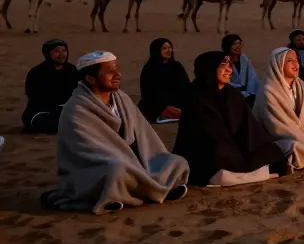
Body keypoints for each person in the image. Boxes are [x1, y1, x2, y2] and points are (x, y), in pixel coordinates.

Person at [42, 51, 189, 214]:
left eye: (117, 69)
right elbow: (88, 152)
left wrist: (142, 159)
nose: (118, 75)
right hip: (92, 167)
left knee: (176, 161)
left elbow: (144, 135)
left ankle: (141, 189)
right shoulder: (76, 109)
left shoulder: (121, 98)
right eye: (110, 71)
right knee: (116, 171)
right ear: (91, 79)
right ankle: (141, 191)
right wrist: (127, 160)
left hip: (134, 160)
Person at [173, 51, 289, 186]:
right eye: (224, 66)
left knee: (271, 150)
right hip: (210, 151)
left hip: (236, 149)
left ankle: (247, 174)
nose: (229, 70)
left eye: (230, 65)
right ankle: (259, 175)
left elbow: (249, 127)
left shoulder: (233, 94)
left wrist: (250, 146)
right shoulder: (195, 96)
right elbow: (207, 134)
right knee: (219, 153)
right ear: (210, 68)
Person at [22, 39, 80, 134]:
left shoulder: (72, 70)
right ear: (47, 53)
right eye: (57, 51)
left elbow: (77, 92)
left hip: (66, 109)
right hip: (42, 111)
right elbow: (34, 97)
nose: (61, 54)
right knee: (50, 124)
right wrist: (55, 109)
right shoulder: (37, 72)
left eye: (64, 51)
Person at [138, 38, 191, 122]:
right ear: (157, 50)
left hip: (177, 102)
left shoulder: (177, 66)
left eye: (170, 48)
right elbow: (149, 93)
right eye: (164, 48)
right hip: (158, 104)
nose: (168, 50)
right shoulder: (150, 68)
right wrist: (167, 104)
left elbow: (186, 86)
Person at [222, 33, 260, 104]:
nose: (238, 46)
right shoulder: (223, 61)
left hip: (247, 94)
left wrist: (249, 93)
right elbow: (223, 82)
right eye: (234, 44)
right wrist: (239, 90)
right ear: (228, 46)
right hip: (230, 95)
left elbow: (252, 78)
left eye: (239, 43)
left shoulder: (244, 59)